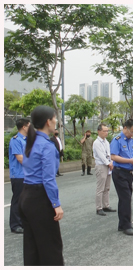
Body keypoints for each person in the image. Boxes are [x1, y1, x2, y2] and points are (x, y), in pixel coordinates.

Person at [19, 105, 64, 265]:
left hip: (26, 195)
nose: (56, 121)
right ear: (48, 122)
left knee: (32, 245)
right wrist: (56, 204)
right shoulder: (47, 146)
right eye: (54, 118)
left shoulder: (30, 142)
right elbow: (48, 179)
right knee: (51, 246)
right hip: (40, 199)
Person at [110, 119, 133, 235]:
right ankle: (126, 225)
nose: (132, 134)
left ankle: (123, 224)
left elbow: (132, 153)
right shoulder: (117, 140)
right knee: (125, 198)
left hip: (128, 173)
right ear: (124, 128)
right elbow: (113, 157)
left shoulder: (131, 140)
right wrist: (129, 160)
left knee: (125, 199)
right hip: (119, 172)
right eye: (131, 132)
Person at [8, 118, 30, 234]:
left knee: (24, 200)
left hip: (26, 175)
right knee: (17, 200)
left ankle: (22, 222)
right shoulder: (16, 140)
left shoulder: (26, 140)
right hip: (18, 175)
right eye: (29, 125)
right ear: (24, 127)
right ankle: (15, 224)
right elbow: (20, 158)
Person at [93, 124, 116, 216]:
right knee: (100, 188)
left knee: (107, 187)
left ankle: (106, 205)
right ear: (99, 131)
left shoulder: (106, 142)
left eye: (107, 131)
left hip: (108, 165)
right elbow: (101, 155)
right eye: (104, 131)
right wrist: (108, 163)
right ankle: (99, 208)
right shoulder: (96, 143)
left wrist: (111, 162)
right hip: (101, 165)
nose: (106, 133)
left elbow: (109, 153)